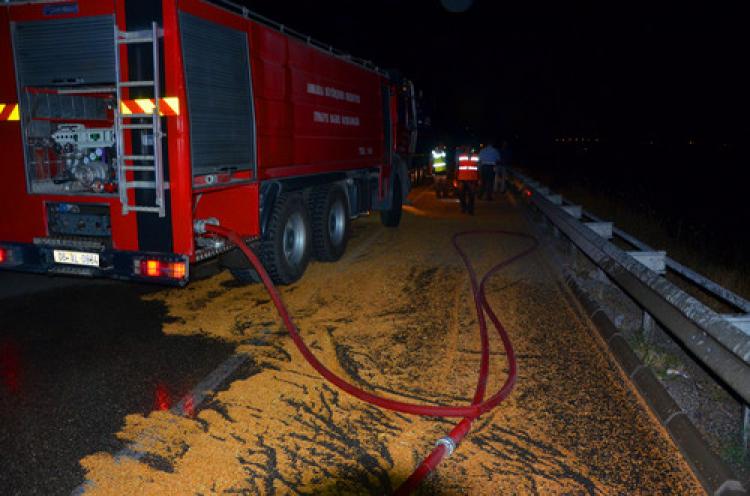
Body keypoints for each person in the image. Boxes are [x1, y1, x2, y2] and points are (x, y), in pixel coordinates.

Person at [455, 146, 479, 214]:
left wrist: (479, 178)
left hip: (472, 179)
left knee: (471, 195)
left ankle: (470, 209)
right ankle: (464, 208)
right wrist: (456, 177)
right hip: (462, 178)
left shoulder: (476, 156)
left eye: (469, 148)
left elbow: (479, 168)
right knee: (462, 195)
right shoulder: (460, 156)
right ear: (464, 149)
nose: (468, 149)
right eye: (467, 148)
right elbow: (457, 167)